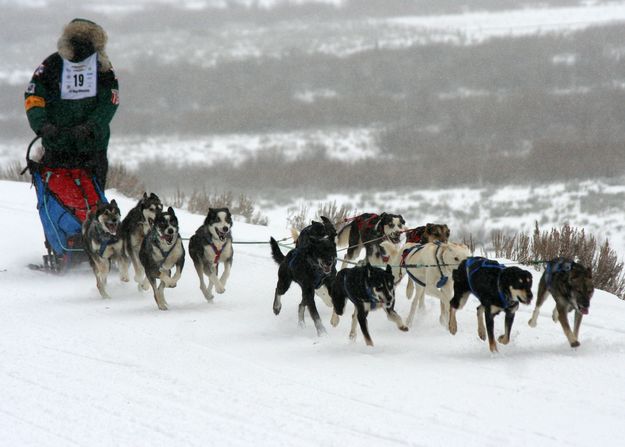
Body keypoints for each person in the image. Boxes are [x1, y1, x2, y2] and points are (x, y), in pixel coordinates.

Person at [24, 18, 119, 189]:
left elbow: (110, 101)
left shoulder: (101, 67)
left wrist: (91, 126)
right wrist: (43, 125)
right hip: (69, 145)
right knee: (88, 204)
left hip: (84, 146)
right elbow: (34, 95)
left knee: (68, 203)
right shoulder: (53, 65)